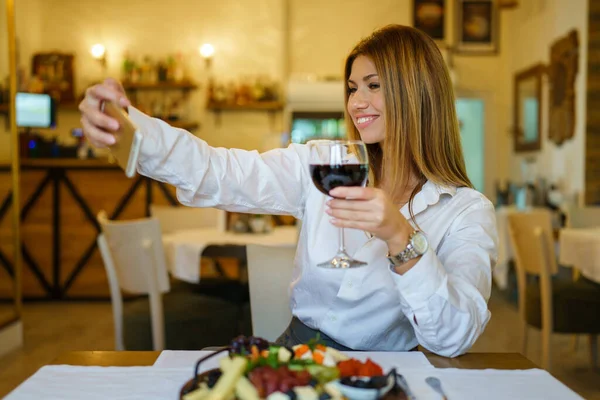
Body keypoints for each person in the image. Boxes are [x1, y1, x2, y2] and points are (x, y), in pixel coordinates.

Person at [80, 24, 497, 357]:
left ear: (417, 93)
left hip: (381, 373)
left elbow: (454, 337)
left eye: (373, 85)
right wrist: (129, 126)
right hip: (295, 354)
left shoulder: (465, 211)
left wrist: (399, 236)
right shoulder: (322, 163)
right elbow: (220, 171)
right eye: (353, 88)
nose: (356, 103)